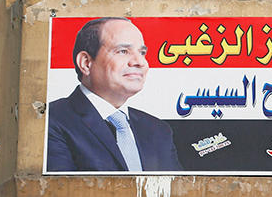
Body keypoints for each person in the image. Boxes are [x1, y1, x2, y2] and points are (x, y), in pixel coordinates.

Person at [47, 17, 182, 172]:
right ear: (86, 63)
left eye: (142, 52)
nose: (140, 62)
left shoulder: (158, 130)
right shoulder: (52, 120)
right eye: (123, 51)